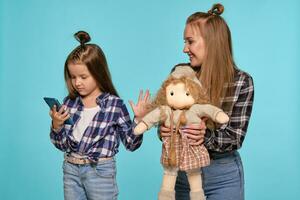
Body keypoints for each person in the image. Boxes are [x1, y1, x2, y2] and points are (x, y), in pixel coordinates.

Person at [159, 3, 254, 200]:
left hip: (223, 175)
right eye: (185, 42)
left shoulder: (242, 82)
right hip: (184, 172)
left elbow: (235, 137)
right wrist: (164, 129)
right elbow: (168, 118)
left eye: (190, 42)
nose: (185, 49)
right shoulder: (180, 73)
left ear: (211, 42)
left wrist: (205, 136)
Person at [48, 31, 149, 200]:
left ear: (98, 73)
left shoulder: (115, 105)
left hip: (100, 171)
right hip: (71, 169)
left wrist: (138, 120)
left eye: (83, 77)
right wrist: (57, 125)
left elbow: (131, 144)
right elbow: (62, 145)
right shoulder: (69, 103)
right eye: (73, 77)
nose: (77, 82)